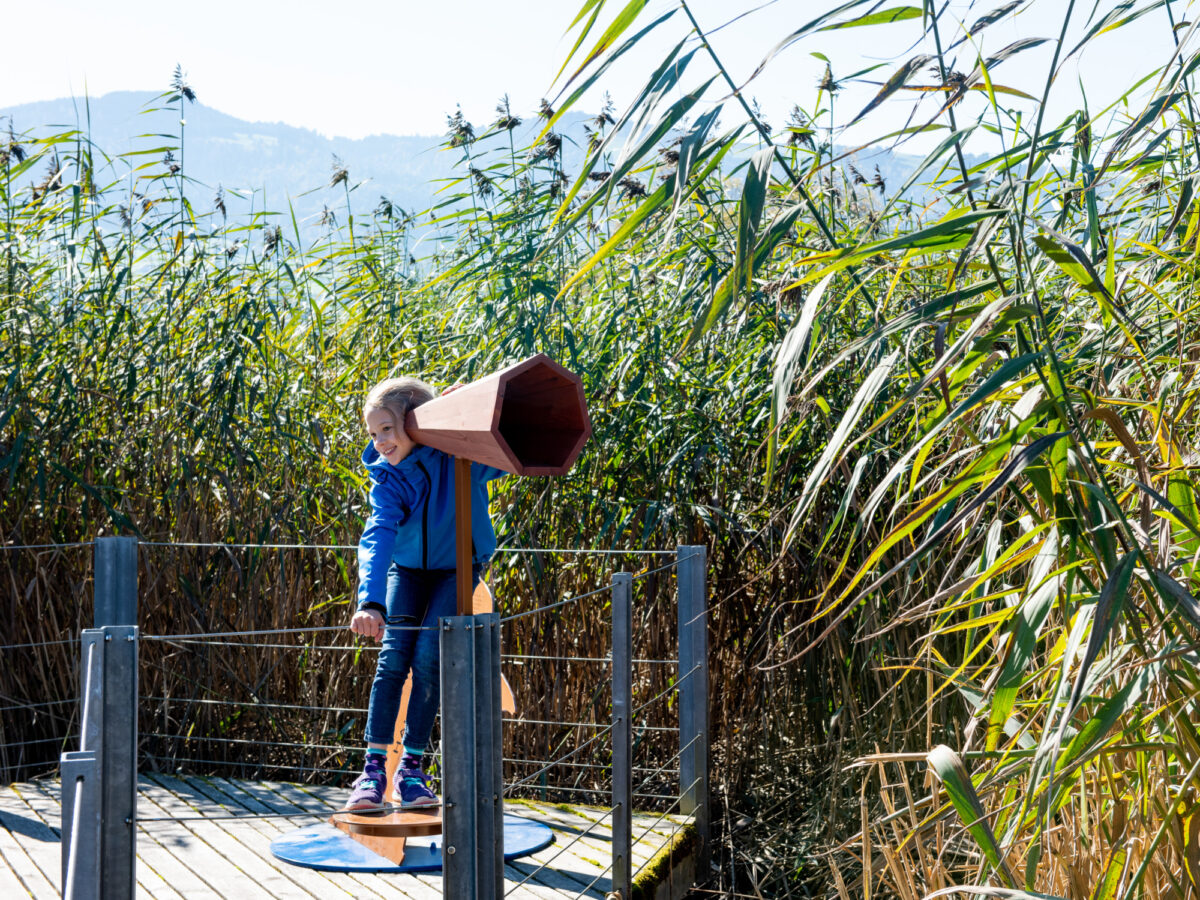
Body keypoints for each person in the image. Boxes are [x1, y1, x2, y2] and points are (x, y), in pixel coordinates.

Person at [345, 375, 507, 810]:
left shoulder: (460, 455)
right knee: (393, 659)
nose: (379, 442)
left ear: (416, 423)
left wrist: (465, 418)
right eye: (372, 433)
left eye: (387, 430)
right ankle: (373, 769)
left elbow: (508, 452)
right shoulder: (389, 478)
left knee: (427, 659)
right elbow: (377, 536)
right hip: (409, 572)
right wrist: (371, 602)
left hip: (457, 569)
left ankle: (412, 769)